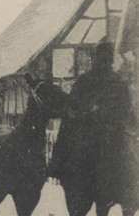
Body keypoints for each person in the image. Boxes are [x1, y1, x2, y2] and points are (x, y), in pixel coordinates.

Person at [49, 42, 137, 179]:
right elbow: (128, 112)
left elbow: (71, 108)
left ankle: (55, 166)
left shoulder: (84, 80)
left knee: (65, 131)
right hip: (112, 136)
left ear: (95, 58)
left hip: (88, 133)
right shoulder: (119, 82)